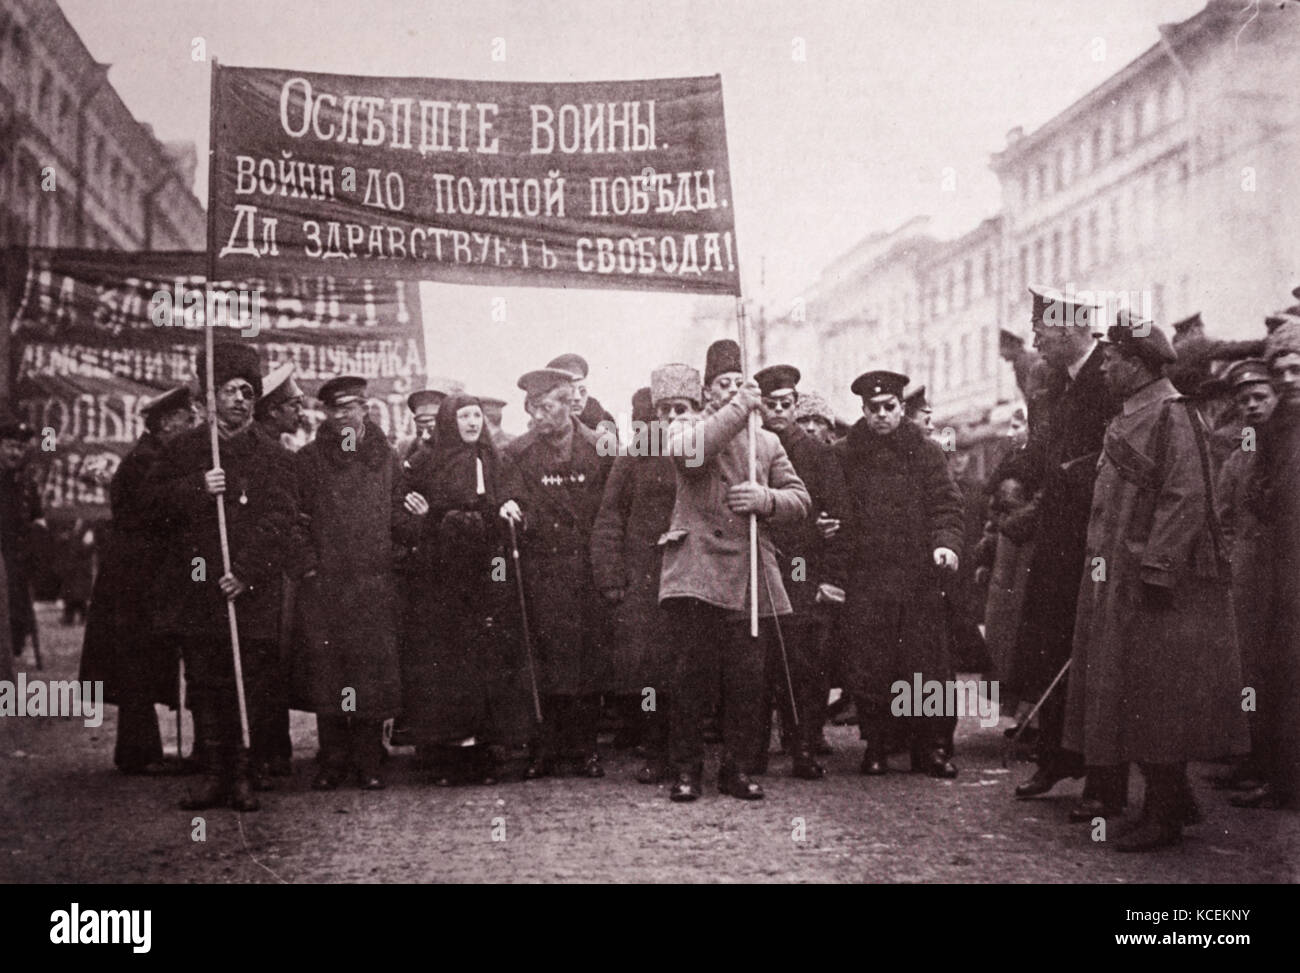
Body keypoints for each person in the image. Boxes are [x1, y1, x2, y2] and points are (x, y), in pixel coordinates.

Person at [1063, 315, 1248, 850]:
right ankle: (1174, 800)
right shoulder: (1135, 412)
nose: (1104, 369)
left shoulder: (1172, 414)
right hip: (1119, 578)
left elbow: (1186, 496)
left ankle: (1164, 813)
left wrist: (1159, 568)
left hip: (1154, 583)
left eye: (1112, 361)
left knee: (1157, 698)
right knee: (1129, 691)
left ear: (1137, 364)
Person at [144, 342, 297, 812]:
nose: (239, 400)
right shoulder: (185, 450)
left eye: (247, 392)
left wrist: (246, 573)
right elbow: (146, 509)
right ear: (210, 398)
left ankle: (245, 774)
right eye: (229, 390)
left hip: (250, 590)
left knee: (250, 683)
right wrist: (197, 487)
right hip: (197, 588)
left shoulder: (271, 454)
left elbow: (282, 519)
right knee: (206, 683)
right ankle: (214, 774)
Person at [658, 339, 810, 802]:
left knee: (747, 681)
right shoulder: (687, 426)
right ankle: (686, 770)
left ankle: (737, 769)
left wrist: (767, 499)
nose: (731, 390)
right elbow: (692, 455)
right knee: (692, 679)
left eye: (738, 383)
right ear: (708, 392)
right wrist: (739, 406)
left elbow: (800, 500)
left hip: (749, 574)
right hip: (699, 569)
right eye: (722, 384)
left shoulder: (767, 442)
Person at [1010, 285, 1122, 817]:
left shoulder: (1109, 376)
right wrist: (1015, 476)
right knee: (1051, 646)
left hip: (1099, 537)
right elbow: (1041, 449)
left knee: (1097, 656)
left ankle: (1104, 778)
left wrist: (1070, 474)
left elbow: (1116, 457)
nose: (1035, 341)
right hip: (1058, 537)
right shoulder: (1053, 382)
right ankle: (1055, 757)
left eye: (1041, 331)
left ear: (1071, 328)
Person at [834, 369, 963, 778]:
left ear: (901, 408)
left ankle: (932, 748)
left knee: (925, 664)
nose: (881, 415)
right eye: (873, 408)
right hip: (868, 577)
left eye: (889, 407)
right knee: (872, 665)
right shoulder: (845, 454)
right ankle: (877, 745)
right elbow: (834, 507)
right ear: (863, 410)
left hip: (918, 577)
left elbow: (946, 504)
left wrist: (945, 543)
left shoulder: (926, 452)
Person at [399, 392, 529, 784]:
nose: (472, 423)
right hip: (442, 579)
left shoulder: (496, 459)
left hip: (489, 572)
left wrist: (511, 506)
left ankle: (486, 752)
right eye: (464, 417)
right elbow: (406, 514)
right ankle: (449, 756)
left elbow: (514, 497)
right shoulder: (426, 461)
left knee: (488, 658)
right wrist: (425, 518)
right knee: (448, 665)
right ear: (449, 422)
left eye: (476, 416)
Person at [291, 376, 406, 791]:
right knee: (331, 671)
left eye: (351, 407)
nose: (344, 416)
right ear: (325, 413)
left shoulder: (386, 457)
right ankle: (334, 758)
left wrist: (394, 554)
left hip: (373, 583)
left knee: (370, 672)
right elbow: (295, 519)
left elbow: (400, 512)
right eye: (336, 409)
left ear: (365, 410)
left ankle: (369, 758)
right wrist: (309, 566)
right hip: (327, 585)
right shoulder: (308, 460)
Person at [500, 367, 612, 779]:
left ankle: (585, 749)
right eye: (532, 407)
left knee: (588, 661)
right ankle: (545, 748)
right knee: (544, 661)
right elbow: (512, 498)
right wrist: (512, 509)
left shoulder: (602, 447)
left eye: (545, 407)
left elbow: (614, 508)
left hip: (588, 569)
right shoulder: (517, 452)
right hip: (542, 571)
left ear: (568, 404)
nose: (537, 415)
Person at [79, 387, 195, 775]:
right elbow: (156, 513)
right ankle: (137, 753)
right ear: (166, 423)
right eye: (187, 418)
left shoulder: (150, 456)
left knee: (140, 660)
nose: (193, 424)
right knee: (136, 661)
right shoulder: (147, 462)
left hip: (140, 573)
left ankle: (142, 750)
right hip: (135, 576)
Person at [752, 363, 849, 779]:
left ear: (795, 405)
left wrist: (830, 578)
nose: (778, 410)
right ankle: (753, 750)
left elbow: (838, 517)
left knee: (802, 664)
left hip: (799, 567)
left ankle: (803, 745)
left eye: (786, 403)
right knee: (757, 664)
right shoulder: (748, 448)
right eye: (770, 403)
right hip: (757, 564)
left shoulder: (817, 454)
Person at [590, 380, 682, 783]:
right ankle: (654, 746)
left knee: (684, 669)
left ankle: (684, 750)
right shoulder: (630, 461)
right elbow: (609, 518)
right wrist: (611, 576)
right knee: (647, 675)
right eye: (646, 420)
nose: (656, 426)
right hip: (643, 578)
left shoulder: (696, 453)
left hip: (687, 571)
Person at [1232, 320, 1300, 810]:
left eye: (1297, 369)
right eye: (1283, 372)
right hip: (1275, 575)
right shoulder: (1270, 437)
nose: (1289, 380)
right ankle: (1273, 771)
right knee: (1271, 676)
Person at [1212, 359, 1278, 794]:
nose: (1252, 406)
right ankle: (1251, 757)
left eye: (1260, 397)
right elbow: (1224, 517)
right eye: (1244, 400)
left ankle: (1274, 766)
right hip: (1247, 580)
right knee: (1248, 672)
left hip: (1283, 579)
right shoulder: (1238, 459)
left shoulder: (1287, 451)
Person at [249, 362, 306, 781]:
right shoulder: (270, 456)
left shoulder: (274, 450)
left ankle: (272, 751)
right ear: (273, 411)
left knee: (269, 663)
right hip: (263, 575)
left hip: (265, 572)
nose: (300, 412)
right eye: (294, 406)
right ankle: (268, 752)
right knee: (264, 662)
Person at [0, 420, 42, 661]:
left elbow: (37, 516)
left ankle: (12, 654)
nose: (16, 453)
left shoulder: (25, 482)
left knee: (17, 612)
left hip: (17, 558)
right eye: (10, 446)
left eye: (20, 448)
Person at [548, 352, 618, 440]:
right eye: (570, 391)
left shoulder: (604, 421)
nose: (577, 398)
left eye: (582, 391)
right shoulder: (542, 425)